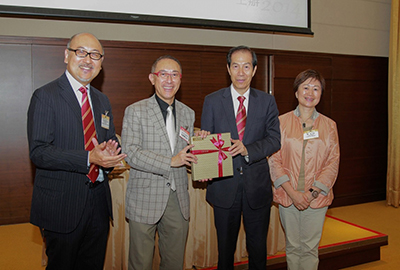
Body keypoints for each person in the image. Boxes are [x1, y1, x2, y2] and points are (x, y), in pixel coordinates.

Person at [27, 33, 127, 270]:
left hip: (98, 203)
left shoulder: (102, 101)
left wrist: (110, 153)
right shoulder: (46, 96)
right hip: (62, 204)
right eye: (81, 52)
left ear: (101, 63)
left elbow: (109, 139)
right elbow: (39, 152)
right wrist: (89, 158)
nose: (87, 60)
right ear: (66, 55)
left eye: (95, 55)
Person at [122, 55, 206, 270]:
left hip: (178, 200)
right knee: (140, 263)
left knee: (174, 263)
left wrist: (202, 159)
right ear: (152, 78)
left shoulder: (188, 113)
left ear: (180, 79)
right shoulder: (135, 111)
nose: (169, 80)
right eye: (163, 74)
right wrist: (170, 161)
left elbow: (185, 152)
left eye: (174, 74)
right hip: (144, 198)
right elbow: (131, 153)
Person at [200, 46, 281, 269]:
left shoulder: (267, 102)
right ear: (228, 69)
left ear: (254, 70)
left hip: (257, 188)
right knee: (225, 251)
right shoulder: (213, 100)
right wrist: (203, 141)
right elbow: (207, 140)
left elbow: (275, 140)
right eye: (236, 66)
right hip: (224, 188)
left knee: (257, 249)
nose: (241, 72)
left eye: (246, 66)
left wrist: (247, 150)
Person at [268, 69, 340, 270]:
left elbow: (332, 162)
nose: (310, 92)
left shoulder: (329, 125)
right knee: (292, 246)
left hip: (316, 197)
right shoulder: (280, 122)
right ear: (296, 93)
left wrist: (311, 193)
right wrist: (292, 193)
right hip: (287, 194)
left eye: (316, 88)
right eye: (305, 87)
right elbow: (274, 160)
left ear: (320, 94)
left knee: (309, 248)